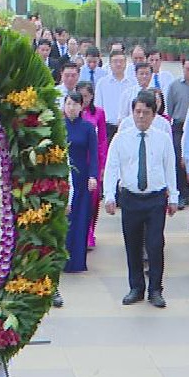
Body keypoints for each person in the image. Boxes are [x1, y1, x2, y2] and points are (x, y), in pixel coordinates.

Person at [103, 91, 178, 308]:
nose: (141, 116)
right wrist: (109, 195)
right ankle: (136, 287)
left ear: (154, 114)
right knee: (132, 244)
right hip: (130, 198)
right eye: (137, 112)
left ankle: (155, 289)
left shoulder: (162, 139)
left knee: (155, 245)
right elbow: (112, 167)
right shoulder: (121, 138)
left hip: (155, 199)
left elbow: (169, 167)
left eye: (146, 112)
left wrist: (174, 196)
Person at [62, 92, 98, 273]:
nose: (71, 108)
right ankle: (62, 259)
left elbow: (94, 154)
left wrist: (93, 176)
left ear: (81, 107)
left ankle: (77, 261)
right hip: (63, 177)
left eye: (75, 104)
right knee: (65, 219)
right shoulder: (58, 126)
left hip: (82, 178)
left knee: (80, 218)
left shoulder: (88, 128)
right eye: (68, 104)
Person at [166, 56, 189, 208]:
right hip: (179, 126)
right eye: (188, 69)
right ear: (183, 68)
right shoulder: (174, 86)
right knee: (179, 160)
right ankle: (180, 193)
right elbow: (170, 108)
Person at [77, 81, 107, 250]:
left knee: (93, 200)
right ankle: (83, 234)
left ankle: (90, 232)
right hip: (78, 161)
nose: (84, 100)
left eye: (86, 96)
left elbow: (102, 140)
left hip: (93, 162)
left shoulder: (99, 114)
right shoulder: (72, 113)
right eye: (81, 96)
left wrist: (102, 166)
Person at [94, 49, 132, 144]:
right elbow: (98, 107)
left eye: (121, 61)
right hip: (107, 128)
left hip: (127, 128)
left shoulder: (132, 84)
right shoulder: (102, 83)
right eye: (115, 61)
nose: (118, 64)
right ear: (110, 64)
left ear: (126, 63)